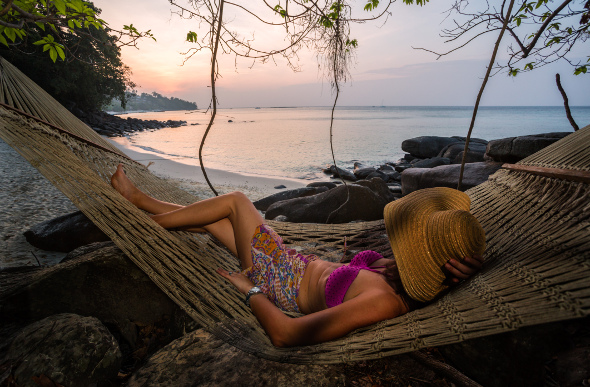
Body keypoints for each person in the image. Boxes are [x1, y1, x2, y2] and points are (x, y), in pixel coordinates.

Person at [111, 164, 485, 348]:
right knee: (214, 220)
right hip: (290, 262)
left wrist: (249, 289)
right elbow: (362, 268)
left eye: (417, 245)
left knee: (236, 202)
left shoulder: (385, 301)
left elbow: (286, 334)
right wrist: (388, 265)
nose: (405, 242)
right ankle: (141, 202)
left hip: (277, 283)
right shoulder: (392, 274)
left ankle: (143, 220)